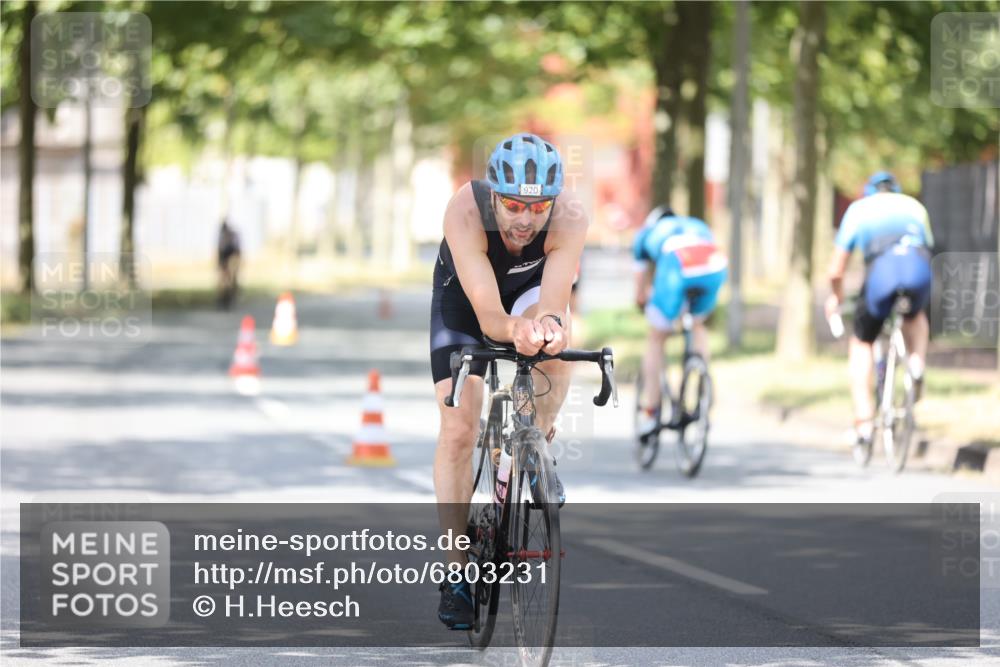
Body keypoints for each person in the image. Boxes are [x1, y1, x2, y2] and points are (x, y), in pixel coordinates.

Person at [430, 133, 587, 629]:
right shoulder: (465, 210)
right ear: (495, 195)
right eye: (514, 204)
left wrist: (547, 328)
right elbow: (490, 316)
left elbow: (552, 303)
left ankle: (529, 445)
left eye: (538, 207)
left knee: (559, 348)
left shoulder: (572, 217)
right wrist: (514, 330)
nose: (525, 218)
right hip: (467, 300)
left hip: (528, 290)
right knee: (459, 428)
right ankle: (456, 572)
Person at [824, 171, 933, 450]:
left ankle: (863, 425)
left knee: (861, 343)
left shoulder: (859, 209)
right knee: (915, 316)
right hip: (917, 266)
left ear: (869, 191)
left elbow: (836, 270)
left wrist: (835, 299)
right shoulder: (914, 206)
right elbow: (928, 245)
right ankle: (917, 364)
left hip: (882, 271)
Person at [633, 206, 728, 436]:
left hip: (678, 264)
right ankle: (703, 383)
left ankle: (651, 411)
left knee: (656, 338)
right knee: (696, 324)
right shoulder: (697, 224)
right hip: (713, 265)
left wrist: (643, 302)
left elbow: (641, 285)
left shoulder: (646, 234)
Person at [217, 219, 242, 310]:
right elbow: (220, 251)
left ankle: (232, 298)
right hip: (224, 256)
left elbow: (237, 252)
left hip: (233, 255)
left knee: (232, 279)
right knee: (223, 280)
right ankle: (223, 299)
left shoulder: (233, 236)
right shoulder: (222, 237)